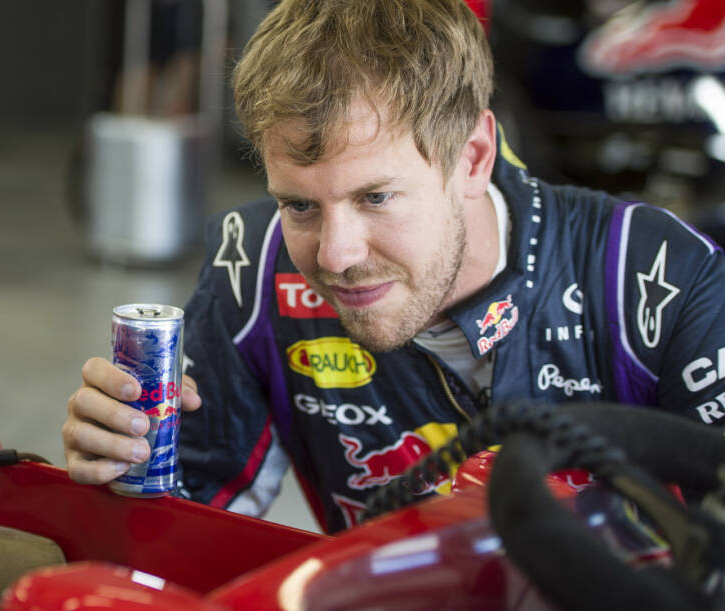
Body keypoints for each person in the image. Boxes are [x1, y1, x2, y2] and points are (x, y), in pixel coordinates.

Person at [64, 0, 725, 533]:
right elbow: (187, 538)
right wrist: (122, 469)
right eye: (300, 205)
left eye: (375, 197)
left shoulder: (657, 276)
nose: (335, 254)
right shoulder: (255, 263)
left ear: (472, 157)